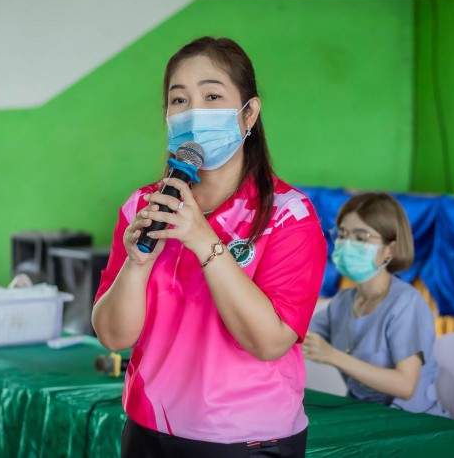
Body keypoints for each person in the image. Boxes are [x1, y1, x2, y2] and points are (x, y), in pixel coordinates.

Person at [92, 36, 327, 457]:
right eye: (179, 100)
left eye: (212, 96)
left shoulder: (288, 214)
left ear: (249, 113)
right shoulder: (143, 206)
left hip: (247, 439)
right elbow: (113, 335)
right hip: (148, 428)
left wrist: (204, 241)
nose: (193, 112)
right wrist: (137, 264)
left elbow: (270, 342)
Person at [303, 193, 448, 417]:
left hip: (411, 421)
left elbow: (405, 386)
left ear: (390, 249)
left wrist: (332, 356)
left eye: (361, 238)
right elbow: (298, 336)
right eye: (343, 235)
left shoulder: (406, 303)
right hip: (361, 415)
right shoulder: (342, 302)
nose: (347, 245)